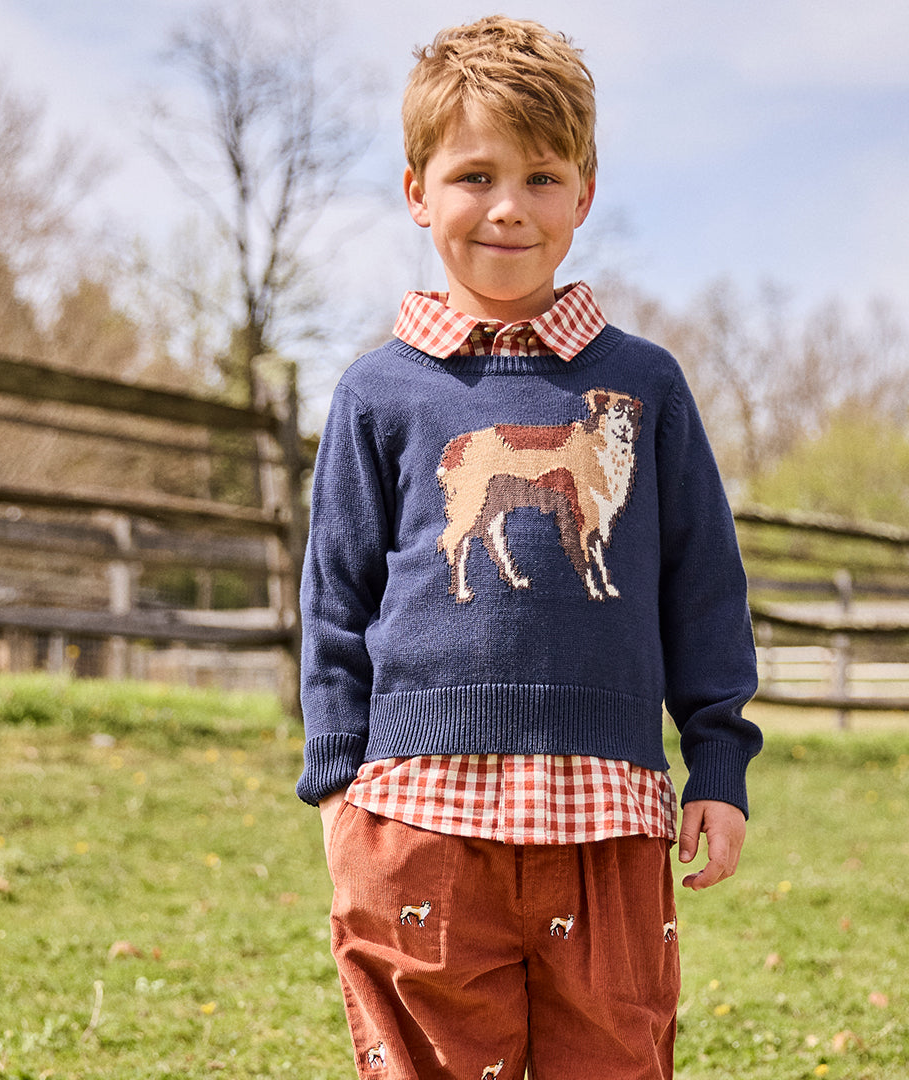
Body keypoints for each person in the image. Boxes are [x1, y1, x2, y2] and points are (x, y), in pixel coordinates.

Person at [296, 15, 762, 1079]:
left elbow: (702, 583)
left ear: (583, 195)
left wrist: (718, 761)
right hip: (417, 814)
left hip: (607, 810)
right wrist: (336, 785)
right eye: (475, 176)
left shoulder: (644, 386)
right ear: (417, 192)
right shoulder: (379, 393)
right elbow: (334, 599)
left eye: (542, 178)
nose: (508, 206)